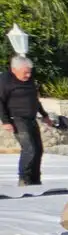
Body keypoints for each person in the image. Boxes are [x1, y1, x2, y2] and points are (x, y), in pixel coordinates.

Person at [1, 55, 42, 186]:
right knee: (29, 148)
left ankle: (35, 179)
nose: (29, 75)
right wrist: (5, 121)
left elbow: (34, 99)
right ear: (14, 69)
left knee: (38, 149)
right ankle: (24, 178)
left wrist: (44, 115)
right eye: (26, 72)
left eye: (30, 71)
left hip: (31, 117)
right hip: (16, 118)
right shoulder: (5, 81)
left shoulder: (29, 80)